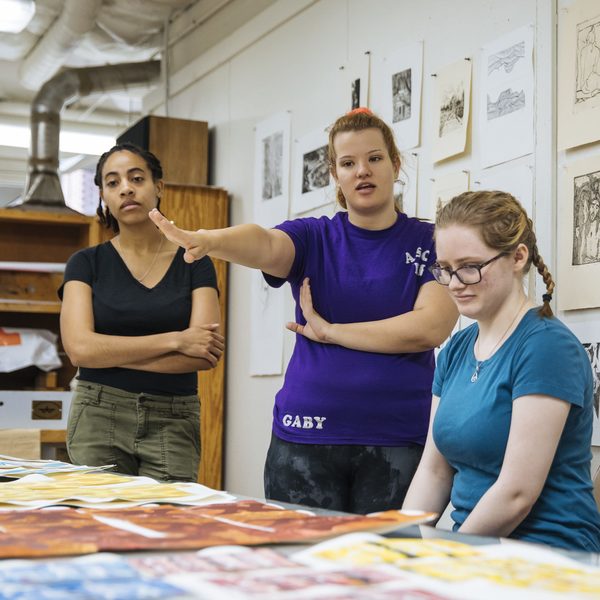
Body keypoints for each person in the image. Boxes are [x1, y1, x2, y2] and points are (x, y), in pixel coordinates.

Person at [149, 108, 458, 513]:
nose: (362, 171)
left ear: (395, 164)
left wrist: (331, 332)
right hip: (305, 439)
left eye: (375, 158)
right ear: (335, 174)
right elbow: (264, 242)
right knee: (300, 568)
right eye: (348, 163)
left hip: (399, 439)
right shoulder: (313, 237)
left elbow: (430, 328)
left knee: (383, 571)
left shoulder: (433, 240)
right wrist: (209, 239)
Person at [403, 190, 600, 552]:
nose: (456, 283)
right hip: (477, 546)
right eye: (445, 270)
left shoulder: (546, 347)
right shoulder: (456, 351)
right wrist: (401, 542)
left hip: (549, 549)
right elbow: (434, 471)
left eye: (469, 266)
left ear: (517, 257)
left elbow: (516, 493)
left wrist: (450, 554)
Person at [59, 143, 224, 482]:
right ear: (104, 195)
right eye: (113, 182)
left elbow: (204, 353)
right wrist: (176, 340)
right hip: (97, 414)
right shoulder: (85, 263)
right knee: (102, 528)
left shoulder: (194, 261)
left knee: (168, 527)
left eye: (136, 178)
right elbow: (79, 349)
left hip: (173, 416)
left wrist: (105, 353)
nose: (126, 188)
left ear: (158, 187)